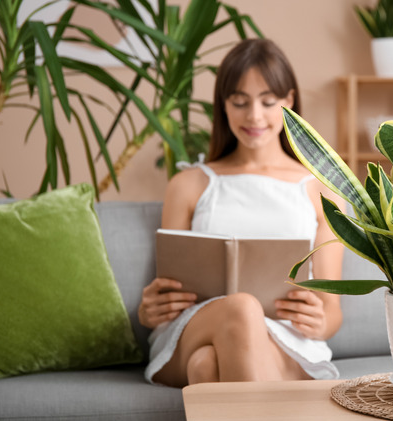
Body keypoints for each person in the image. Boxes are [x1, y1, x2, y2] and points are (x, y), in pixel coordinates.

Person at [138, 39, 345, 387]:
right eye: (240, 102)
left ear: (289, 101)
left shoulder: (321, 189)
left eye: (268, 102)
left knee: (206, 367)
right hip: (194, 328)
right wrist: (150, 309)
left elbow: (332, 310)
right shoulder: (189, 184)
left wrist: (320, 321)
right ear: (224, 105)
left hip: (285, 338)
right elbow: (168, 285)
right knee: (241, 308)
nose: (254, 116)